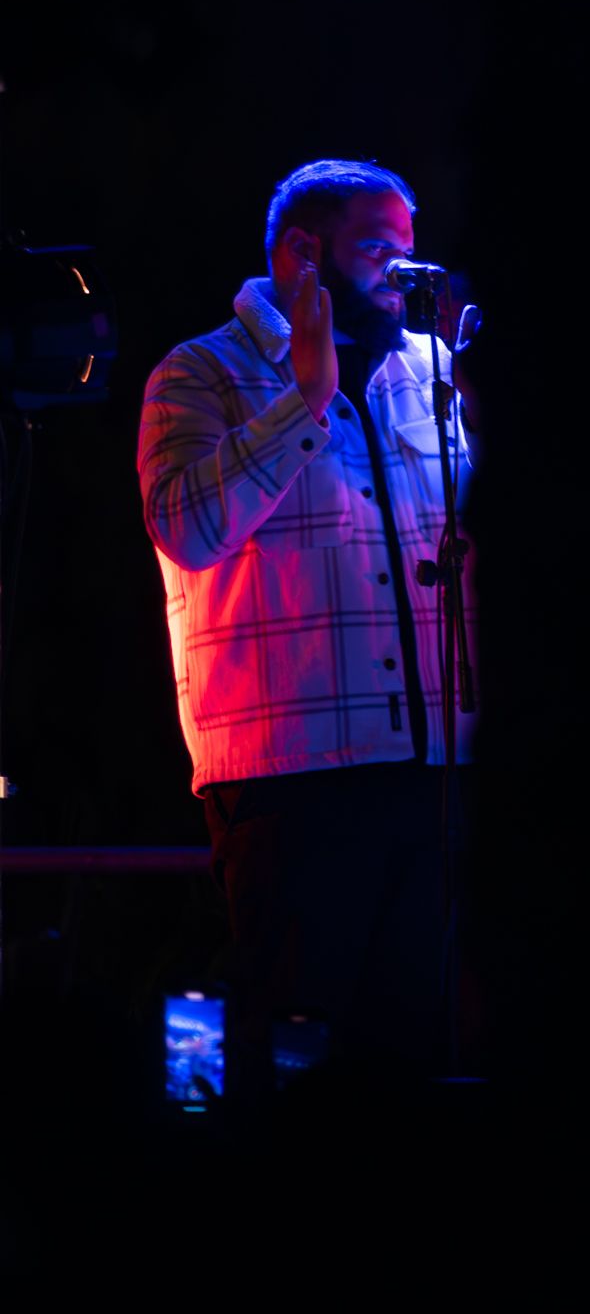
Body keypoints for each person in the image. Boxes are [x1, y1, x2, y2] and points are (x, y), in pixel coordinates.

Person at [137, 158, 477, 1096]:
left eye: (409, 252)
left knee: (414, 1057)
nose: (402, 273)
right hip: (293, 779)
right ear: (302, 251)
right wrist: (306, 398)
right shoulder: (199, 373)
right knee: (282, 1057)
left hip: (435, 769)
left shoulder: (435, 374)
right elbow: (189, 529)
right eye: (377, 248)